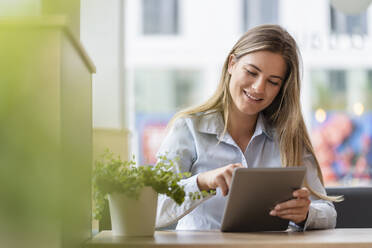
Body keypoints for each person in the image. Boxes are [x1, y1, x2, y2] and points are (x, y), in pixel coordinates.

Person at [155, 24, 341, 231]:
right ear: (232, 64)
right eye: (252, 72)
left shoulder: (287, 137)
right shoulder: (188, 128)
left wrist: (305, 214)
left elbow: (328, 213)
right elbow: (153, 212)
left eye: (273, 82)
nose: (258, 88)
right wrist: (202, 182)